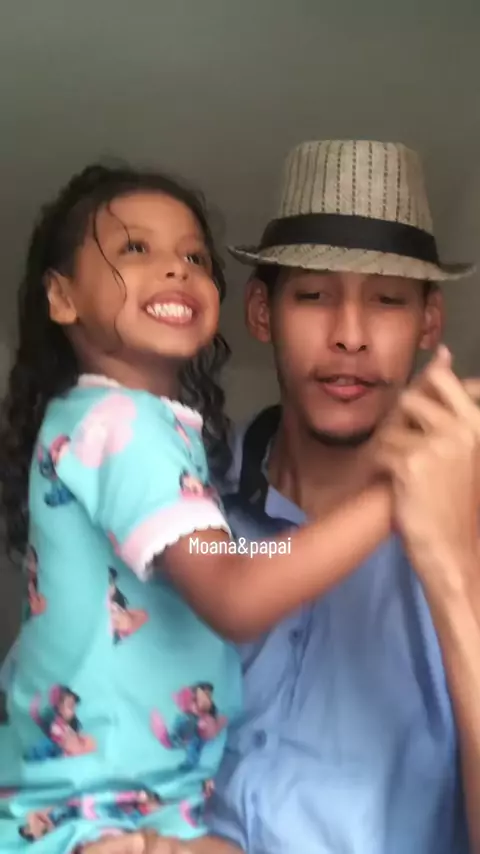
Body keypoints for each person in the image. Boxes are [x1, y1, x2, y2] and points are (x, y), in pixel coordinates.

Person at [0, 159, 412, 854]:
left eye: (194, 257)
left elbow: (234, 561)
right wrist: (398, 491)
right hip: (87, 814)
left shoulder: (128, 428)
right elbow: (237, 594)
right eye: (136, 248)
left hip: (145, 809)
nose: (175, 268)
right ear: (62, 297)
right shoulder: (122, 427)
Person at [200, 140, 480, 854]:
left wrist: (453, 573)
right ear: (262, 312)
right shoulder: (185, 503)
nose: (350, 337)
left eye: (386, 300)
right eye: (314, 296)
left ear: (429, 322)